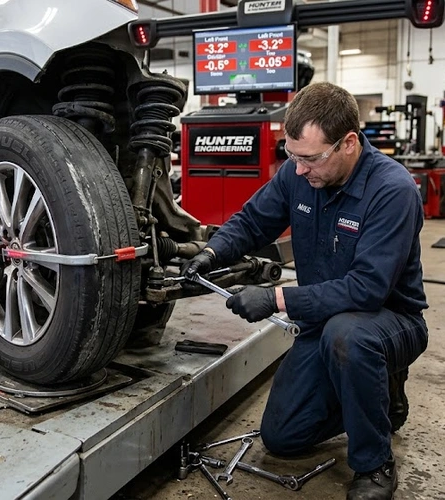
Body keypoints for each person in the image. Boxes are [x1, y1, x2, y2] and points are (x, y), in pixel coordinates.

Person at [181, 82, 428, 500]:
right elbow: (254, 221)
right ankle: (377, 394)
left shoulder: (392, 191)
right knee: (283, 438)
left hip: (389, 321)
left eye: (310, 158)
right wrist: (211, 252)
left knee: (348, 337)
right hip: (324, 322)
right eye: (292, 156)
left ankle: (374, 463)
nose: (298, 169)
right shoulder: (300, 177)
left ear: (348, 143)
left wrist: (276, 299)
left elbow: (367, 290)